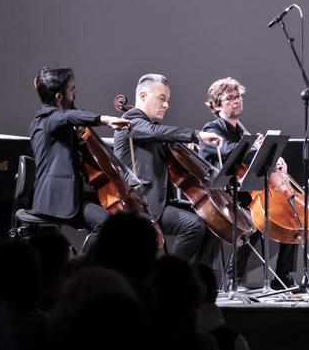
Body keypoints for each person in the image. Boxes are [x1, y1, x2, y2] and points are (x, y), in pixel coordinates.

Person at [198, 77, 297, 288]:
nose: (237, 101)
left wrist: (272, 157)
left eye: (239, 96)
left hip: (243, 193)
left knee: (292, 217)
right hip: (220, 197)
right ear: (216, 105)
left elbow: (249, 159)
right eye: (230, 98)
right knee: (254, 221)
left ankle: (283, 276)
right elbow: (229, 151)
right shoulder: (212, 129)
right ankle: (233, 280)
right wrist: (256, 149)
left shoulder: (241, 132)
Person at [114, 73, 222, 264]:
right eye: (162, 99)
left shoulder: (151, 128)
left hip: (160, 201)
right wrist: (196, 135)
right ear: (143, 96)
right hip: (140, 204)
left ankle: (198, 278)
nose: (166, 105)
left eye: (168, 100)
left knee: (213, 221)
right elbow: (156, 132)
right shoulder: (130, 121)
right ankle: (168, 277)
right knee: (193, 225)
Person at [28, 66, 131, 252]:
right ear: (59, 97)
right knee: (107, 224)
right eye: (72, 89)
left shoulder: (57, 119)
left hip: (72, 193)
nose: (75, 93)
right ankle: (83, 266)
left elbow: (71, 115)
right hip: (55, 199)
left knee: (114, 221)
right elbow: (68, 116)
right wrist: (104, 119)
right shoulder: (46, 119)